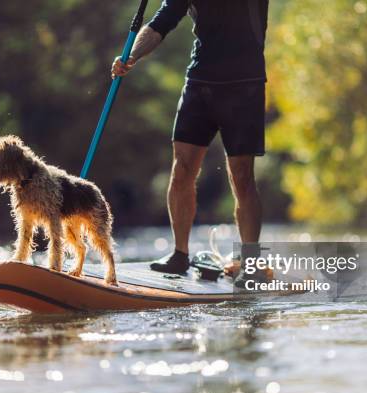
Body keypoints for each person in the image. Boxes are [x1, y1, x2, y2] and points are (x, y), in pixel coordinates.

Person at [112, 0, 269, 284]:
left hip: (245, 84)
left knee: (242, 175)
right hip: (200, 83)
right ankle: (179, 254)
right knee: (182, 167)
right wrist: (131, 57)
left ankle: (252, 261)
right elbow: (161, 22)